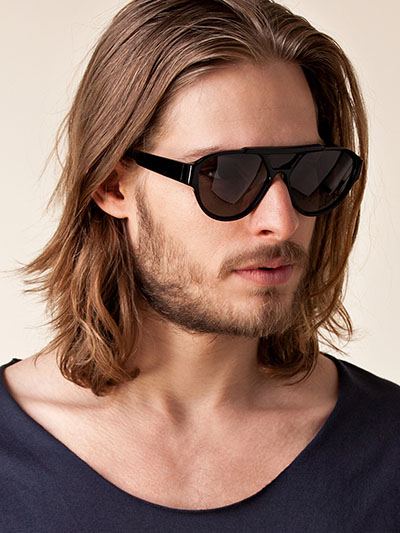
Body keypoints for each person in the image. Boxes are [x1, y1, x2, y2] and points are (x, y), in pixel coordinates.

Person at [1, 0, 399, 531]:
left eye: (310, 171)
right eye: (226, 175)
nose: (282, 222)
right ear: (113, 184)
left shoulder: (388, 448)